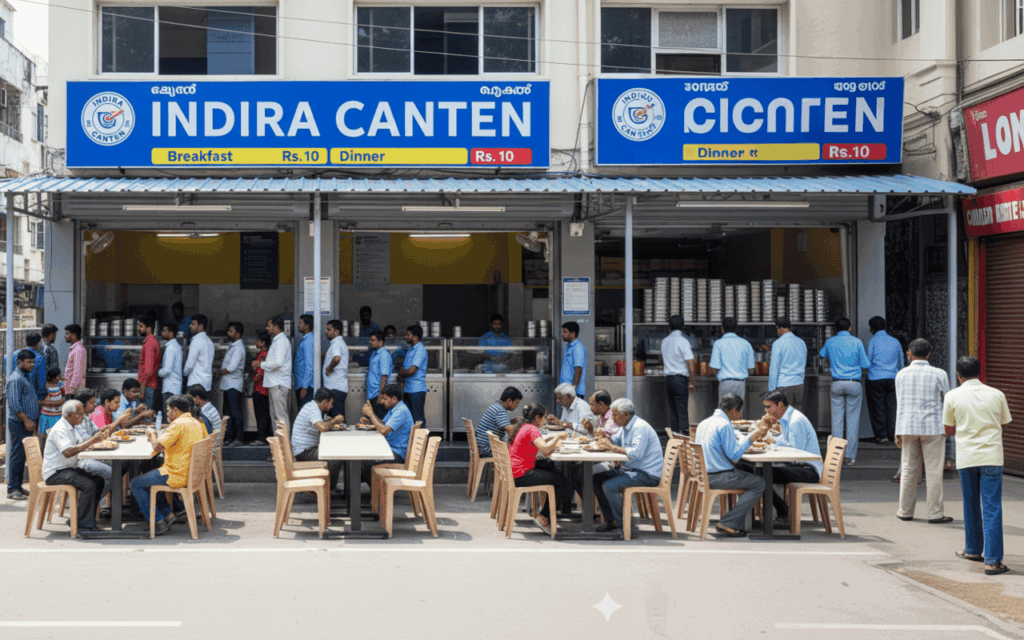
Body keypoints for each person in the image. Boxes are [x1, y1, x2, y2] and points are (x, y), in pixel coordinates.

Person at [943, 356, 1012, 576]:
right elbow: (1003, 422)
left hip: (967, 458)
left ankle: (973, 550)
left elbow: (948, 430)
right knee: (992, 507)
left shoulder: (952, 396)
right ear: (979, 372)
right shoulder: (996, 394)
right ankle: (992, 561)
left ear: (958, 374)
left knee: (970, 503)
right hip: (992, 456)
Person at [129, 394, 208, 536]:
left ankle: (158, 522)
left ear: (176, 410)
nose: (167, 413)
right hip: (189, 472)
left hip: (176, 473)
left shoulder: (178, 424)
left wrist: (151, 433)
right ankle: (167, 514)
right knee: (151, 474)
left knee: (136, 483)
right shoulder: (196, 422)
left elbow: (157, 447)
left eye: (168, 410)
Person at [694, 393, 770, 537]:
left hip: (704, 474)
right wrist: (750, 438)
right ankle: (729, 522)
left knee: (748, 473)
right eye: (740, 411)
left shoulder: (704, 422)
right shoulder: (724, 425)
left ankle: (741, 521)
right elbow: (734, 455)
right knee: (759, 483)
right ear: (734, 410)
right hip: (719, 476)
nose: (740, 414)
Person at [894, 338, 951, 523]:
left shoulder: (901, 374)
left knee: (909, 469)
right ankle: (935, 514)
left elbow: (900, 403)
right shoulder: (939, 374)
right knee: (934, 471)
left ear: (909, 354)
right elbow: (947, 401)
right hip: (933, 427)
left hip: (908, 427)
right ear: (929, 354)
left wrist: (897, 430)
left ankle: (905, 511)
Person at [592, 398, 665, 534]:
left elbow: (636, 453)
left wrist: (611, 446)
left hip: (647, 475)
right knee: (596, 478)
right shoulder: (624, 427)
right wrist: (606, 437)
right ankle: (611, 520)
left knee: (609, 486)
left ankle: (624, 525)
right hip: (631, 470)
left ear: (626, 414)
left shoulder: (640, 427)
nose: (612, 418)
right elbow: (616, 441)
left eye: (615, 415)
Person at [42, 401, 116, 533]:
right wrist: (92, 441)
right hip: (56, 473)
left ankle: (83, 519)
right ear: (69, 415)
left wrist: (96, 438)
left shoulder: (72, 426)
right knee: (89, 485)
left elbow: (81, 444)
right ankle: (83, 525)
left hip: (68, 468)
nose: (82, 416)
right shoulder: (61, 429)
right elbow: (68, 451)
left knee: (99, 480)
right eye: (79, 414)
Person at [761, 390, 822, 529]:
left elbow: (796, 452)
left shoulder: (795, 421)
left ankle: (783, 513)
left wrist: (773, 446)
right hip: (799, 465)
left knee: (763, 474)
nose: (766, 411)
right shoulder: (786, 419)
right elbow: (784, 440)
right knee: (761, 472)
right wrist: (773, 441)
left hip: (808, 469)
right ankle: (779, 511)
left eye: (769, 407)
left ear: (780, 405)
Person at [507, 403, 572, 531]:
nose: (545, 420)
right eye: (544, 417)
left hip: (515, 470)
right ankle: (544, 516)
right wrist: (558, 436)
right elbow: (546, 450)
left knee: (552, 467)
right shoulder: (532, 429)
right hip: (522, 474)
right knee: (563, 482)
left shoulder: (523, 426)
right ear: (537, 418)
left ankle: (552, 509)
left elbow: (539, 445)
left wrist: (550, 440)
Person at [819, 317, 870, 465]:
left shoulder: (830, 342)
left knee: (837, 421)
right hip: (854, 383)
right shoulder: (857, 342)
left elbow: (823, 355)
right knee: (852, 421)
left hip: (837, 383)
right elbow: (866, 363)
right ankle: (850, 457)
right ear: (850, 328)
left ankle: (836, 456)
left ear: (835, 329)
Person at [291, 388, 346, 491]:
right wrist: (334, 420)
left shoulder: (311, 406)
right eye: (331, 403)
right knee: (336, 459)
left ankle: (325, 487)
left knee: (337, 452)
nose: (332, 406)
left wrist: (326, 421)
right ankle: (327, 490)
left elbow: (320, 424)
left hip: (305, 449)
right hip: (304, 452)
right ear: (325, 402)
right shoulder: (313, 409)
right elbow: (322, 427)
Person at [359, 384, 412, 489]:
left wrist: (371, 415)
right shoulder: (394, 408)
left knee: (364, 461)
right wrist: (370, 420)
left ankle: (377, 495)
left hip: (397, 454)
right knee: (361, 456)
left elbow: (383, 430)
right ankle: (361, 492)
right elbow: (383, 424)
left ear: (394, 398)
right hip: (390, 449)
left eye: (385, 399)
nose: (382, 401)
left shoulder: (401, 411)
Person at [6, 350, 41, 500]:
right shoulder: (15, 379)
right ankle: (12, 488)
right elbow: (14, 404)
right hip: (19, 423)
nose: (32, 365)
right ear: (19, 362)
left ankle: (18, 486)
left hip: (27, 424)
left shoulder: (25, 377)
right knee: (17, 455)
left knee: (22, 455)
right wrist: (26, 420)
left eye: (33, 362)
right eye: (29, 362)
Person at [71, 388, 114, 503]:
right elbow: (86, 441)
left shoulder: (86, 417)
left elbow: (96, 433)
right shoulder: (76, 418)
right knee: (112, 473)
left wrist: (103, 430)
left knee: (119, 464)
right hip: (78, 460)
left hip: (88, 455)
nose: (95, 405)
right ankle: (88, 506)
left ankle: (108, 504)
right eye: (91, 403)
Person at [866, 316, 904, 446]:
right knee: (892, 407)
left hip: (875, 378)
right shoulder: (895, 341)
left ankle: (882, 437)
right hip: (893, 378)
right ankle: (893, 435)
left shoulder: (873, 342)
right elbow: (901, 362)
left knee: (878, 408)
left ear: (871, 329)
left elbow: (868, 361)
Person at [663, 315, 697, 436]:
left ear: (669, 326)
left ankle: (675, 438)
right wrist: (691, 381)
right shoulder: (683, 341)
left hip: (669, 379)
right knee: (682, 410)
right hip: (680, 379)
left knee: (673, 411)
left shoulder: (664, 341)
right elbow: (690, 363)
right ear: (682, 326)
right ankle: (684, 439)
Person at [709, 317, 755, 402]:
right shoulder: (746, 344)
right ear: (736, 328)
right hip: (740, 384)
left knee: (724, 413)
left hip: (725, 383)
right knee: (737, 412)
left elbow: (715, 368)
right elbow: (751, 370)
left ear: (722, 329)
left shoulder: (718, 344)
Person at [767, 316, 808, 410]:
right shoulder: (801, 342)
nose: (777, 332)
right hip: (799, 385)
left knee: (783, 416)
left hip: (784, 385)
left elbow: (774, 368)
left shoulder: (778, 343)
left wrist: (771, 390)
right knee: (796, 416)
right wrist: (801, 379)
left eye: (777, 329)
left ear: (781, 328)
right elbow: (803, 363)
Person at [217, 322, 246, 447]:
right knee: (227, 413)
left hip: (234, 384)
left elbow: (232, 367)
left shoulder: (239, 348)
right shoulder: (233, 345)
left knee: (235, 413)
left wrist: (219, 372)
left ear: (238, 334)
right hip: (228, 384)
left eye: (231, 331)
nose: (228, 333)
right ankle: (228, 437)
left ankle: (238, 438)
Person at [261, 316, 293, 428]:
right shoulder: (277, 341)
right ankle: (279, 443)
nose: (267, 328)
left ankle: (284, 444)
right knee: (275, 416)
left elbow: (278, 362)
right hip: (275, 383)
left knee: (280, 417)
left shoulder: (281, 342)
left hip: (279, 384)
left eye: (269, 326)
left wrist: (261, 364)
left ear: (275, 327)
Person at [475, 386, 523, 458]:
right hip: (487, 449)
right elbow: (510, 430)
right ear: (509, 401)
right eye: (516, 403)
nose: (517, 406)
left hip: (482, 447)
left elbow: (499, 424)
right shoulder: (500, 410)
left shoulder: (496, 407)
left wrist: (514, 420)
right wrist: (524, 424)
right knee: (520, 450)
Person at [398, 324, 428, 427]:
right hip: (408, 389)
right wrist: (402, 372)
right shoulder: (411, 349)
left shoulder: (420, 350)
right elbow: (404, 367)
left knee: (418, 419)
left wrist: (401, 372)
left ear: (415, 337)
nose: (406, 337)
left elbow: (411, 371)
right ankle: (411, 442)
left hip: (417, 390)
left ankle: (422, 442)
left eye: (408, 335)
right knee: (409, 419)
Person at [323, 320, 350, 420]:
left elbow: (337, 358)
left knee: (337, 421)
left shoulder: (336, 344)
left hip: (335, 388)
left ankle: (341, 436)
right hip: (336, 388)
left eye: (329, 329)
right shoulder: (337, 343)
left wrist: (329, 368)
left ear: (336, 332)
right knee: (334, 420)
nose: (326, 331)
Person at [251, 330, 273, 445]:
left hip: (260, 389)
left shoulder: (263, 355)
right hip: (264, 389)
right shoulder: (265, 353)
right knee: (264, 414)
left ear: (263, 342)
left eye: (258, 340)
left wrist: (254, 378)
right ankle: (265, 436)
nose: (256, 342)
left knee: (261, 415)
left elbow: (259, 373)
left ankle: (261, 438)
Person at [183, 314, 214, 392]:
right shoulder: (209, 341)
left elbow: (190, 364)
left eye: (193, 324)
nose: (190, 326)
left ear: (200, 326)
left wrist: (184, 373)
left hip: (195, 383)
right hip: (206, 383)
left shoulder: (196, 341)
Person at [366, 330, 392, 421]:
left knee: (380, 421)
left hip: (378, 394)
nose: (370, 342)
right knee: (372, 422)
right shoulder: (374, 354)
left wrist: (381, 395)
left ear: (380, 342)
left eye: (373, 340)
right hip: (372, 394)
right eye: (370, 340)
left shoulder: (383, 355)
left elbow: (384, 377)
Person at [136, 316, 161, 410]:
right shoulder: (153, 342)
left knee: (145, 417)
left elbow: (148, 370)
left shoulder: (150, 343)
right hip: (149, 385)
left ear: (149, 328)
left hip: (147, 386)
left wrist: (142, 390)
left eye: (141, 326)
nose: (139, 329)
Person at [158, 323, 183, 408]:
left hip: (170, 388)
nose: (162, 333)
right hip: (175, 387)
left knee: (168, 415)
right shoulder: (177, 346)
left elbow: (167, 370)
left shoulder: (171, 348)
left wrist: (157, 372)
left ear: (171, 333)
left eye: (164, 331)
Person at [560, 321, 586, 399]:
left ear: (572, 334)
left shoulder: (578, 348)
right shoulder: (568, 347)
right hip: (567, 390)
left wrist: (573, 389)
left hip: (573, 392)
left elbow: (578, 369)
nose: (562, 334)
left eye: (565, 332)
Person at [294, 314, 315, 410]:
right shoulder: (306, 340)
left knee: (305, 415)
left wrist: (304, 387)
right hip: (302, 384)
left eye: (301, 323)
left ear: (307, 326)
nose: (299, 325)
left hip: (305, 385)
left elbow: (309, 365)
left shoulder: (308, 341)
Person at [39, 367, 66, 436]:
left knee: (55, 434)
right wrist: (57, 403)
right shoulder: (46, 386)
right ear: (57, 377)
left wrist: (44, 403)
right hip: (47, 413)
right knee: (47, 434)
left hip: (57, 413)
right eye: (59, 375)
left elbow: (63, 395)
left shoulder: (60, 384)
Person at [63, 324, 87, 395]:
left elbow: (78, 371)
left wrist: (72, 389)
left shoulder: (78, 350)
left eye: (67, 334)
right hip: (71, 390)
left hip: (74, 391)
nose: (65, 336)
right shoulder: (75, 349)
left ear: (73, 335)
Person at [25, 333, 48, 400]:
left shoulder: (15, 355)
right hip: (32, 397)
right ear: (38, 343)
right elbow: (41, 381)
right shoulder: (39, 358)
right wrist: (42, 398)